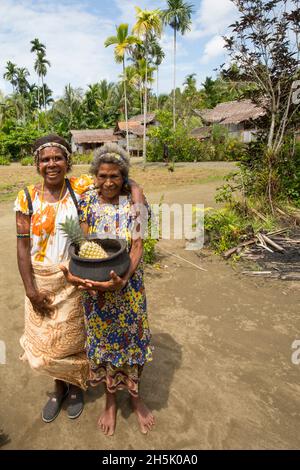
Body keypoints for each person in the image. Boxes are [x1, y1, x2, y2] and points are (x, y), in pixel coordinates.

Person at [15, 134, 144, 423]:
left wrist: (136, 192)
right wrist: (30, 290)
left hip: (74, 278)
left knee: (73, 341)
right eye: (45, 159)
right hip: (41, 279)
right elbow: (22, 247)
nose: (52, 164)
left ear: (67, 162)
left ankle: (75, 389)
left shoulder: (81, 187)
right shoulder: (26, 198)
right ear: (37, 163)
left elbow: (116, 176)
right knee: (46, 341)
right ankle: (57, 387)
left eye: (58, 158)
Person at [61, 143, 154, 436]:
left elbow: (138, 246)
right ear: (94, 176)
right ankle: (111, 401)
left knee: (132, 344)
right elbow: (85, 244)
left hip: (128, 288)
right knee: (104, 348)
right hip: (97, 288)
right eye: (102, 176)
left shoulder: (136, 201)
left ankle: (136, 398)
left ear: (124, 176)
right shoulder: (88, 200)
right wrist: (84, 278)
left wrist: (124, 279)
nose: (108, 182)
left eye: (115, 176)